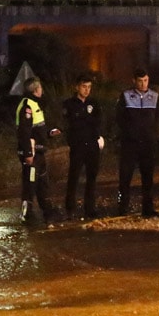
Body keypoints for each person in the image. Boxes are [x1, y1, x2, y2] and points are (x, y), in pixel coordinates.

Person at [115, 68, 159, 217]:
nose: (143, 84)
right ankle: (122, 207)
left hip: (148, 143)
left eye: (146, 80)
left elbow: (158, 117)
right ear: (134, 81)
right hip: (130, 143)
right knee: (125, 177)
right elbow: (119, 117)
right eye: (140, 81)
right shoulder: (125, 96)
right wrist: (128, 133)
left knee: (148, 177)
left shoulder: (155, 96)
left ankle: (148, 208)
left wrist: (153, 134)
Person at [16, 76, 61, 223]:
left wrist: (49, 134)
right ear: (36, 90)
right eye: (40, 88)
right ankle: (26, 215)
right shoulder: (27, 106)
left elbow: (37, 129)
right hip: (32, 153)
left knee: (42, 183)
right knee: (30, 183)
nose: (42, 90)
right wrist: (28, 153)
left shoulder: (35, 104)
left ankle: (47, 212)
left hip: (39, 151)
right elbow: (25, 132)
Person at [62, 74, 104, 220]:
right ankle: (70, 208)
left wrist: (84, 119)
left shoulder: (94, 103)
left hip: (92, 144)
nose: (87, 90)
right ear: (77, 87)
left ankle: (90, 208)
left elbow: (97, 121)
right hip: (78, 145)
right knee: (74, 177)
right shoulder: (69, 104)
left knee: (92, 178)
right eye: (84, 87)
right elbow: (71, 123)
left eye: (89, 87)